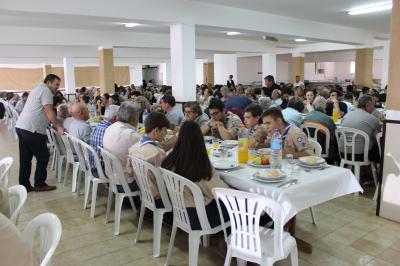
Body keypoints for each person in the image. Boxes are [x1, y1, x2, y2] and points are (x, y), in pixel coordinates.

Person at [161, 121, 228, 230]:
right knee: (241, 209)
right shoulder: (199, 166)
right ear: (200, 139)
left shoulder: (170, 159)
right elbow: (217, 191)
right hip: (198, 217)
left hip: (179, 211)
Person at [15, 74, 63, 192]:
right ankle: (40, 184)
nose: (57, 87)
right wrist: (58, 126)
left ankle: (24, 185)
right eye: (56, 84)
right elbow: (48, 110)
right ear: (49, 82)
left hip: (22, 127)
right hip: (32, 129)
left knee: (25, 158)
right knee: (43, 156)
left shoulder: (37, 88)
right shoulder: (46, 91)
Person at [127, 112, 170, 205]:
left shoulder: (133, 148)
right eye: (165, 130)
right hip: (160, 197)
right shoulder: (158, 153)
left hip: (144, 192)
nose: (165, 133)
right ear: (156, 130)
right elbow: (168, 180)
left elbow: (130, 172)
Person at [103, 102, 142, 177]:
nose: (138, 120)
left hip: (111, 174)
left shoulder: (110, 127)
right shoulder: (132, 135)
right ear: (132, 118)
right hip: (126, 179)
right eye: (137, 117)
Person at [340, 95, 381, 164]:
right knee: (378, 145)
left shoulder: (346, 115)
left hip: (343, 153)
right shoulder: (372, 118)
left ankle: (363, 170)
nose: (374, 108)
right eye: (373, 105)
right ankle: (377, 170)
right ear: (367, 105)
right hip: (361, 155)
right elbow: (378, 137)